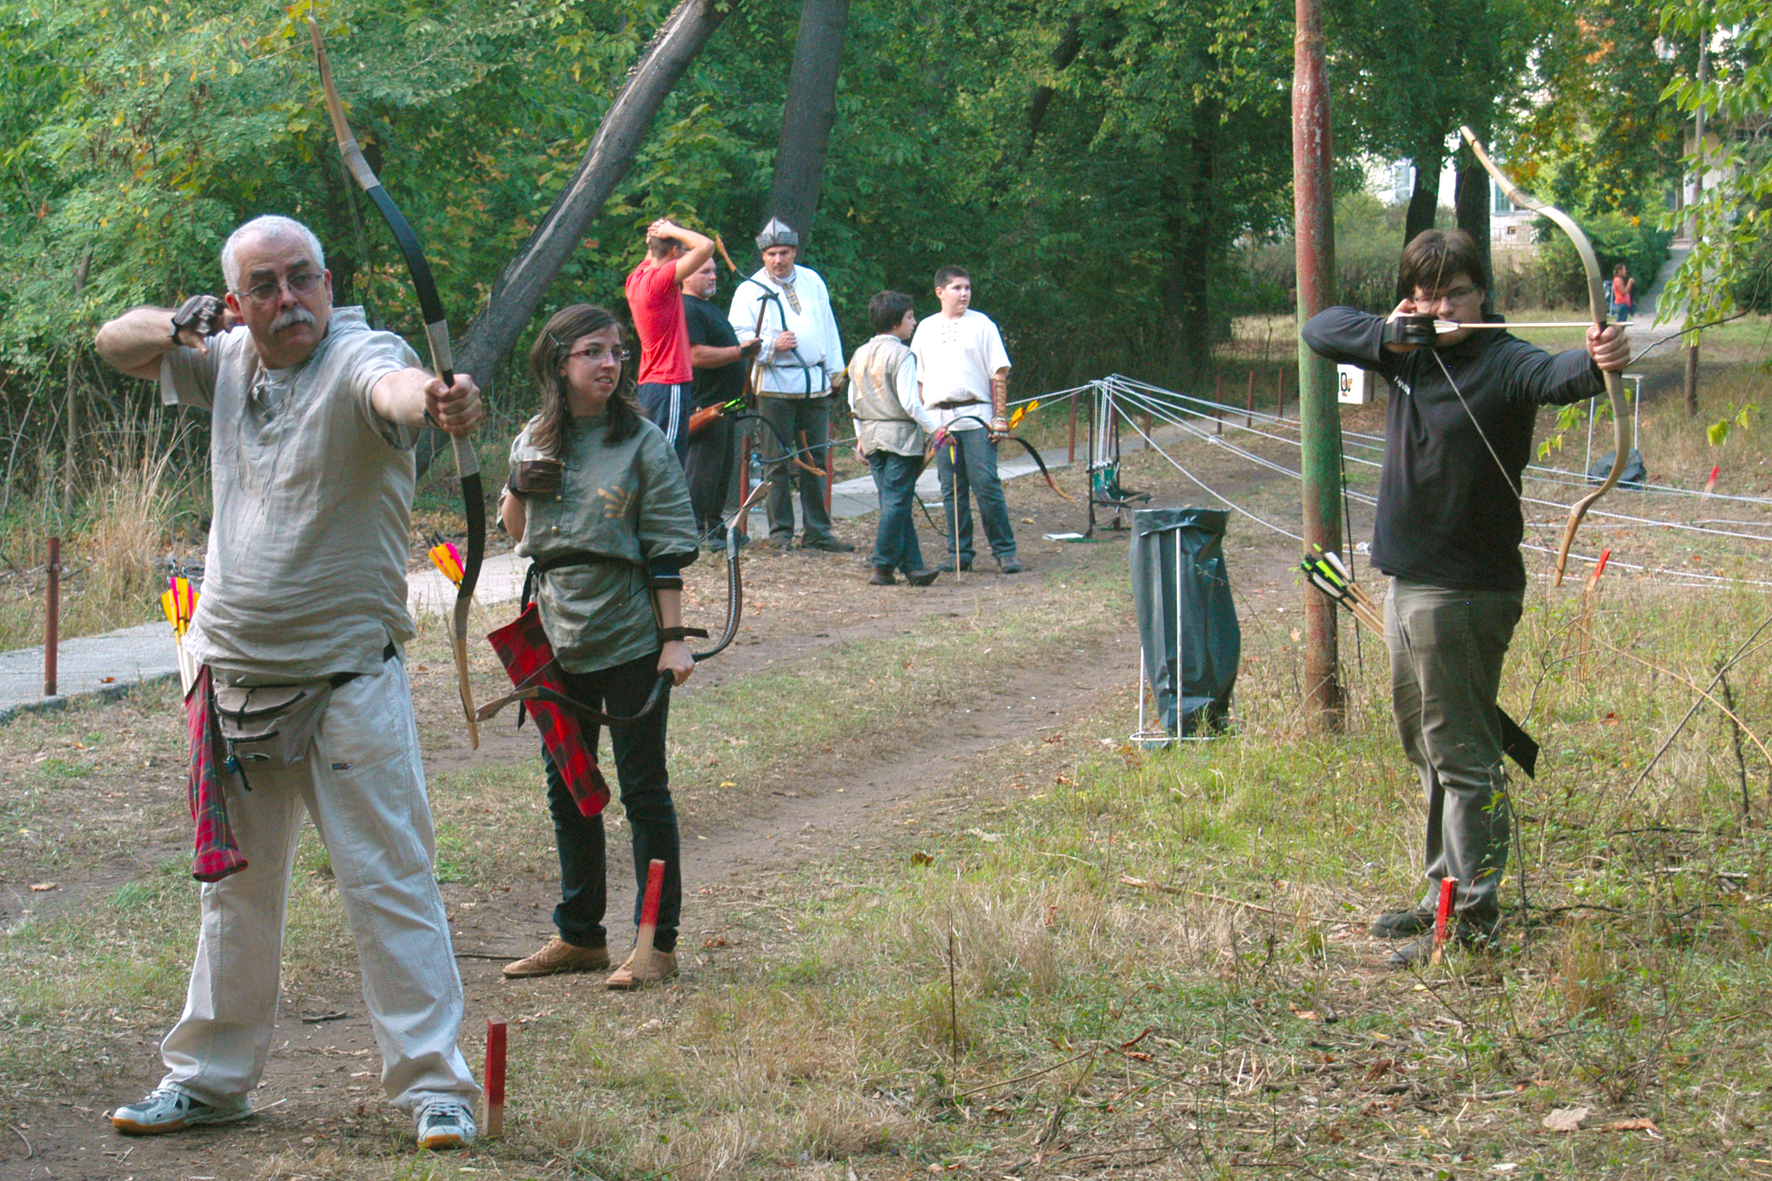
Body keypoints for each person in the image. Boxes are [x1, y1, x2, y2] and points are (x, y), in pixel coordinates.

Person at [93, 214, 483, 1148]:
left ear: (327, 280)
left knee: (389, 881)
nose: (288, 298)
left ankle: (436, 1087)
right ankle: (209, 1080)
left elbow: (392, 389)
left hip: (347, 678)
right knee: (234, 892)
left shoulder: (360, 354)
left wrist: (437, 402)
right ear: (236, 303)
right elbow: (113, 343)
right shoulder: (225, 357)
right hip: (231, 677)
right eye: (263, 286)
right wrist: (181, 326)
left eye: (302, 276)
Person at [1301, 229, 1630, 968]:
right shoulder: (1407, 351)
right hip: (1407, 581)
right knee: (1425, 745)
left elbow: (1559, 375)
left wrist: (1600, 358)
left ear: (1482, 294)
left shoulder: (1504, 360)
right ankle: (1441, 895)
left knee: (1464, 755)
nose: (1442, 308)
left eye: (1456, 294)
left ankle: (1474, 919)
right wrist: (1391, 332)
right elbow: (1320, 328)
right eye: (1427, 295)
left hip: (1466, 591)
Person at [498, 304, 698, 990]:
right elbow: (517, 531)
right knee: (570, 786)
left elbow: (666, 547)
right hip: (555, 627)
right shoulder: (534, 437)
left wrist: (673, 642)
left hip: (631, 630)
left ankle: (655, 942)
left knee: (644, 791)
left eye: (617, 351)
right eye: (593, 351)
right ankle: (580, 935)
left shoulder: (642, 442)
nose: (609, 363)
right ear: (559, 363)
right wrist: (517, 483)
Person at [726, 217, 852, 552]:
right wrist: (771, 345)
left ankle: (818, 532)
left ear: (794, 252)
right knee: (776, 461)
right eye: (771, 254)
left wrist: (835, 372)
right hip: (775, 385)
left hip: (814, 384)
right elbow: (737, 336)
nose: (777, 259)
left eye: (783, 252)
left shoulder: (812, 281)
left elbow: (828, 327)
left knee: (815, 459)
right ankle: (780, 532)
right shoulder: (749, 290)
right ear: (763, 256)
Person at [910, 265, 1021, 574]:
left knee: (986, 484)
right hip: (940, 419)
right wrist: (927, 424)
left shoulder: (982, 324)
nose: (964, 293)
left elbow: (998, 372)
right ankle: (959, 553)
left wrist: (1000, 417)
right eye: (957, 288)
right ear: (940, 292)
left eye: (967, 287)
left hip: (977, 418)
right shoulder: (926, 328)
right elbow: (918, 380)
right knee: (952, 489)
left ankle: (1005, 551)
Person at [847, 290, 941, 586]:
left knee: (893, 502)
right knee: (896, 503)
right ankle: (882, 566)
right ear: (895, 322)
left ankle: (913, 567)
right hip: (900, 439)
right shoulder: (902, 354)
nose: (914, 322)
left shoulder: (859, 353)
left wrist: (860, 437)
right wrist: (936, 430)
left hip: (872, 437)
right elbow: (911, 403)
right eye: (910, 317)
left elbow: (853, 401)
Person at [625, 217, 716, 466]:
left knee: (651, 456)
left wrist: (659, 233)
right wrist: (671, 230)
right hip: (670, 383)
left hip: (651, 384)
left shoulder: (636, 277)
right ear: (675, 251)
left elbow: (655, 253)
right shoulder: (661, 280)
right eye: (683, 251)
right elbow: (706, 246)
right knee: (668, 460)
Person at [683, 256, 758, 542]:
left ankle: (714, 527)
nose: (713, 277)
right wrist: (741, 352)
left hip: (726, 404)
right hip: (705, 405)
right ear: (686, 275)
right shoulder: (688, 308)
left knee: (720, 471)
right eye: (705, 272)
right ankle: (695, 532)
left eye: (714, 271)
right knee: (702, 470)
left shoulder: (709, 308)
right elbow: (695, 355)